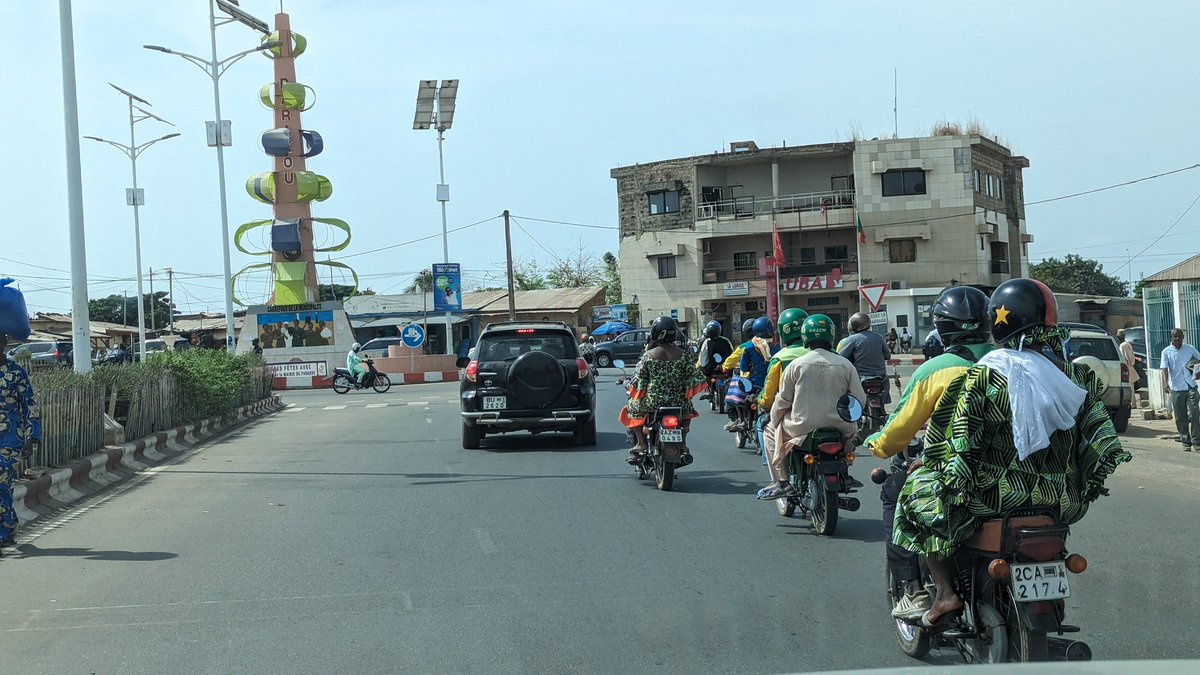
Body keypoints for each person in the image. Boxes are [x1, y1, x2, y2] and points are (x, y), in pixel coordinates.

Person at [893, 278, 1131, 626]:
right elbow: (1099, 443)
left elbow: (956, 445)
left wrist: (930, 466)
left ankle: (944, 593)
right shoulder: (1078, 377)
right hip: (1061, 500)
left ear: (997, 323)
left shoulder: (982, 378)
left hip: (994, 499)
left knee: (916, 494)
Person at [865, 285, 994, 620]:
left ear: (941, 327)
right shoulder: (1009, 362)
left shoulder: (936, 369)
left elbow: (897, 433)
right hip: (1014, 475)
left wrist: (875, 443)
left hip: (958, 475)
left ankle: (918, 590)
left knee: (895, 493)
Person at [758, 314, 865, 499]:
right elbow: (859, 399)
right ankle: (845, 471)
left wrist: (774, 420)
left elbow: (783, 400)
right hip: (840, 427)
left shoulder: (796, 365)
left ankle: (782, 482)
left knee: (768, 430)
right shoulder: (846, 365)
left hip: (801, 427)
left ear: (805, 337)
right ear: (831, 336)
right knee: (853, 431)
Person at [618, 316, 706, 461]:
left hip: (652, 402)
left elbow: (640, 381)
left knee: (631, 408)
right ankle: (682, 442)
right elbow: (695, 377)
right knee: (688, 410)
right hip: (679, 402)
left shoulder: (648, 356)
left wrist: (630, 386)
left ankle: (641, 443)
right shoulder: (683, 355)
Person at [0, 332, 41, 553]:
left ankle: (2, 533)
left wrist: (32, 436)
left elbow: (29, 404)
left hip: (10, 436)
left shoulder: (16, 372)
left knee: (1, 479)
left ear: (5, 342)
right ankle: (9, 525)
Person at [755, 308, 810, 470]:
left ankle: (778, 475)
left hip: (793, 415)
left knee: (764, 424)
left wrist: (761, 401)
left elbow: (768, 398)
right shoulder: (831, 354)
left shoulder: (780, 358)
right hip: (833, 415)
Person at [839, 312, 892, 406]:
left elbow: (841, 358)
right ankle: (882, 408)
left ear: (854, 325)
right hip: (880, 378)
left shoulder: (852, 339)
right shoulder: (878, 337)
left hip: (860, 378)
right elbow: (887, 356)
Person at [1160, 327, 1200, 451]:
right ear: (1171, 338)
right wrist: (1165, 383)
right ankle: (1185, 441)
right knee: (1180, 416)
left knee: (1194, 412)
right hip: (1176, 387)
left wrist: (1197, 371)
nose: (1177, 338)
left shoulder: (1190, 349)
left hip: (1191, 386)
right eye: (1175, 336)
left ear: (1183, 337)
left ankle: (1196, 441)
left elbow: (1199, 360)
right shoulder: (1166, 352)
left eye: (1179, 336)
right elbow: (1164, 369)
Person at [1116, 328, 1140, 408]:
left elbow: (1128, 357)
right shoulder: (1125, 344)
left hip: (1127, 367)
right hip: (1127, 367)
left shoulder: (1124, 345)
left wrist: (1128, 364)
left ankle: (1132, 404)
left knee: (1130, 387)